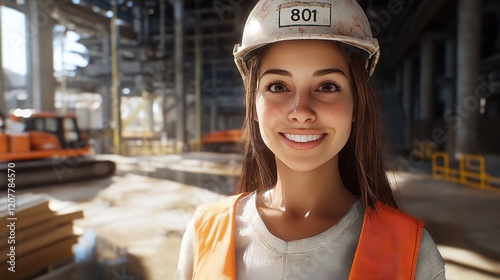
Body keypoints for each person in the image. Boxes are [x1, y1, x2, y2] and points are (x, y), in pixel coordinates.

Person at [176, 0, 445, 279]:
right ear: (253, 105)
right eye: (278, 86)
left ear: (357, 105)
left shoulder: (412, 253)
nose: (301, 111)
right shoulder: (203, 234)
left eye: (327, 86)